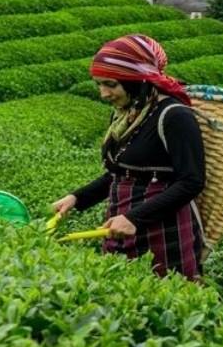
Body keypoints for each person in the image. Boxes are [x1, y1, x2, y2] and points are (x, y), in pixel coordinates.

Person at [51, 34, 208, 280]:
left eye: (111, 84)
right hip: (119, 221)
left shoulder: (175, 115)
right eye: (99, 84)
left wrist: (135, 218)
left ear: (137, 81)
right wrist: (77, 198)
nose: (103, 93)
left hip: (163, 228)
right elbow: (121, 174)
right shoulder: (126, 115)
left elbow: (192, 181)